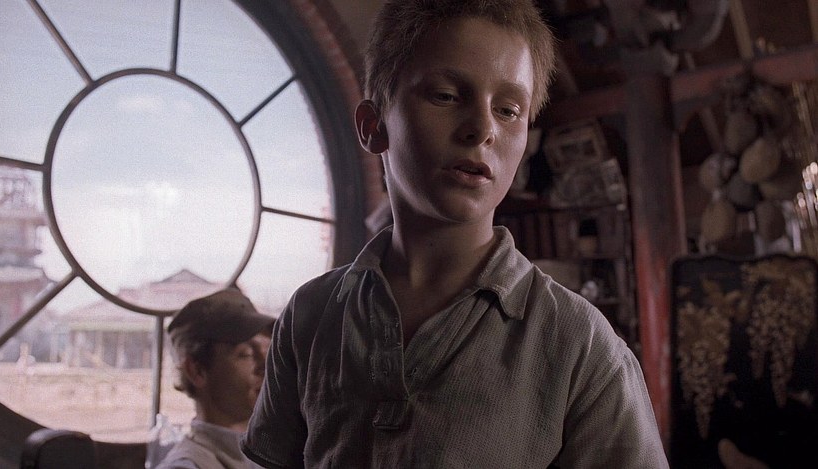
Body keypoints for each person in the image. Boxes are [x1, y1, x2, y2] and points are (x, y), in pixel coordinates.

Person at [242, 0, 669, 467]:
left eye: (508, 110)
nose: (482, 129)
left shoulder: (580, 348)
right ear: (373, 126)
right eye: (446, 96)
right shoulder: (311, 316)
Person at [157, 288, 275, 469]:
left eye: (270, 352)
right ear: (197, 371)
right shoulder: (188, 465)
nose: (267, 366)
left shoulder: (273, 451)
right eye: (246, 354)